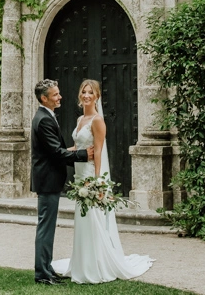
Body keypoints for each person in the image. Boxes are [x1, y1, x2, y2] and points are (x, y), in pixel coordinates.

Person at [52, 80, 154, 284]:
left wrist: (97, 181)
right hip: (79, 174)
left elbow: (97, 150)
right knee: (83, 219)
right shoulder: (81, 118)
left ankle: (97, 264)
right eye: (84, 91)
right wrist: (57, 153)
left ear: (97, 96)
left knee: (93, 218)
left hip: (90, 174)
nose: (86, 95)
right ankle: (83, 261)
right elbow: (77, 145)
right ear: (80, 95)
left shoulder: (97, 121)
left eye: (91, 92)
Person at [32, 79, 93, 286]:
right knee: (46, 228)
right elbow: (55, 153)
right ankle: (42, 274)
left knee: (47, 227)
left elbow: (55, 150)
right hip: (47, 181)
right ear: (44, 98)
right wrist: (84, 154)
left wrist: (72, 150)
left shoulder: (46, 116)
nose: (60, 97)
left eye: (58, 93)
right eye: (55, 95)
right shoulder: (44, 120)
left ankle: (47, 268)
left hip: (49, 179)